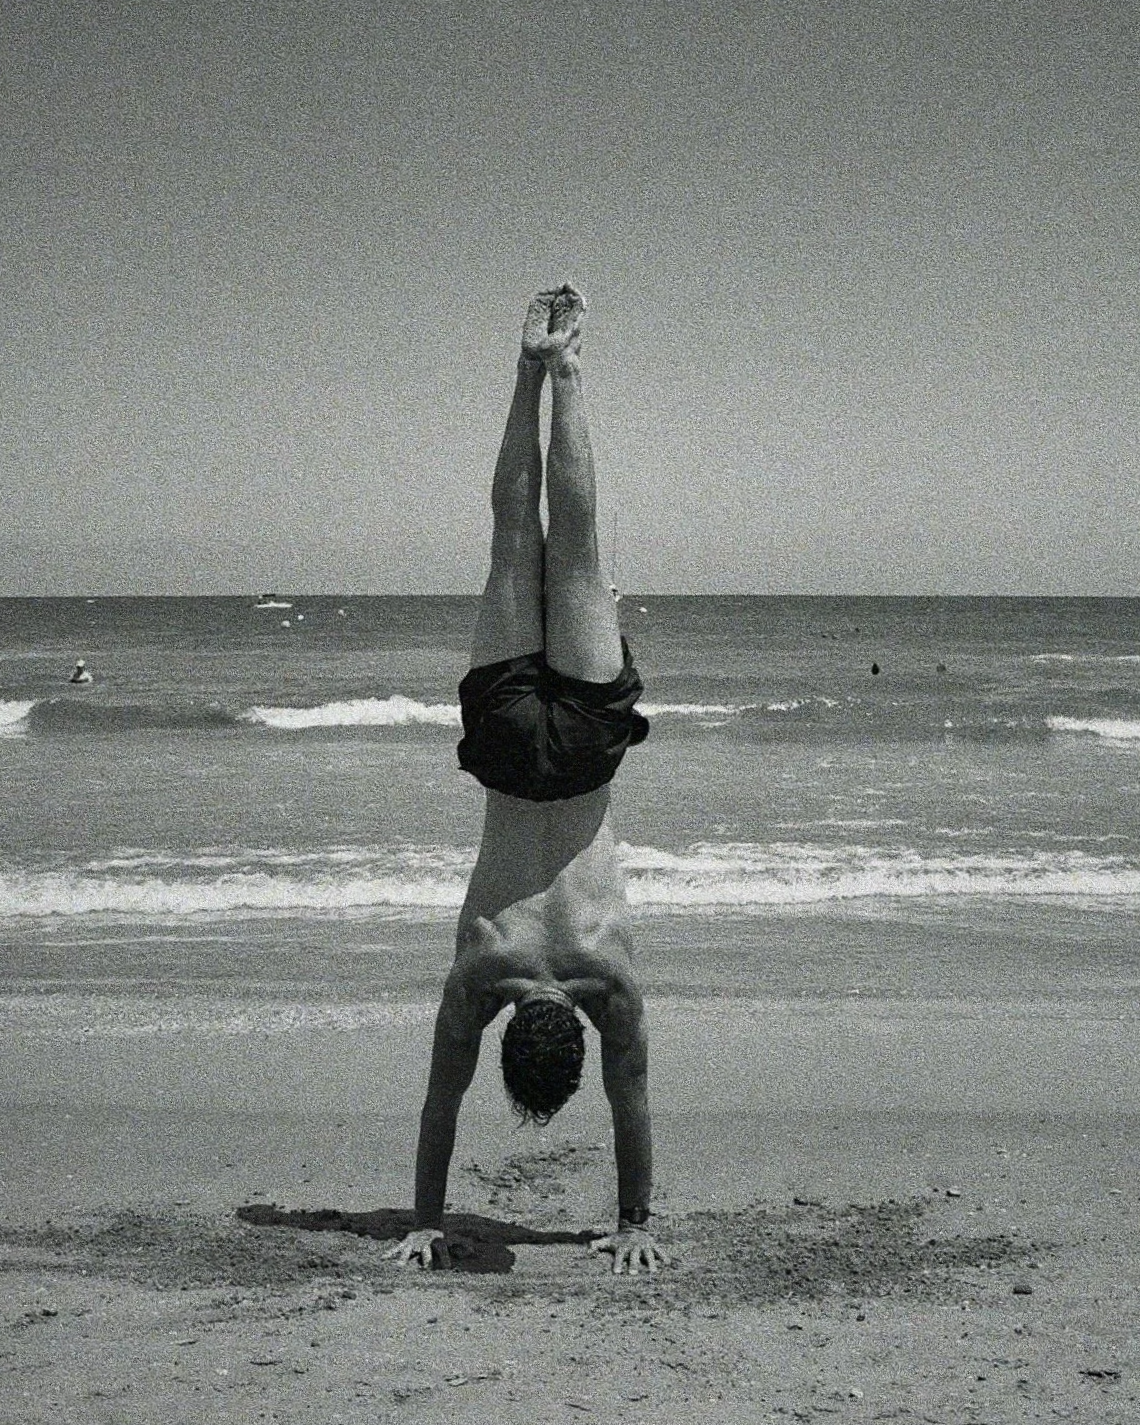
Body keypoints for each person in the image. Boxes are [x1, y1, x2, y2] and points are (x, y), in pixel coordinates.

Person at [384, 285, 667, 1276]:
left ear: (574, 1034)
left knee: (576, 548)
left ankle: (570, 366)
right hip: (510, 755)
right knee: (515, 526)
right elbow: (438, 1105)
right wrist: (425, 1217)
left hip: (582, 753)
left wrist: (637, 1220)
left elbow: (631, 1104)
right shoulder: (483, 971)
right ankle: (533, 361)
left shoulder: (609, 978)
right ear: (512, 1030)